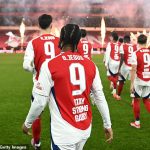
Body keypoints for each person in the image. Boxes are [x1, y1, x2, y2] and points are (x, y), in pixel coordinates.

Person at [22, 24, 113, 150]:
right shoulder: (91, 65)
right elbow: (99, 97)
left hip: (63, 133)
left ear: (60, 40)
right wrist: (107, 124)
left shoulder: (50, 65)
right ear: (78, 41)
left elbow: (39, 102)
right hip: (85, 129)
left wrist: (27, 123)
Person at [23, 14, 61, 149]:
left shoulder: (33, 42)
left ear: (39, 26)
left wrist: (34, 70)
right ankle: (55, 144)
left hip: (40, 84)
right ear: (52, 25)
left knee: (37, 113)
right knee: (57, 116)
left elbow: (26, 66)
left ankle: (37, 142)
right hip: (58, 85)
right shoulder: (60, 41)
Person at [130, 34, 150, 129]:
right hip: (148, 79)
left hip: (139, 79)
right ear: (146, 42)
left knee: (136, 99)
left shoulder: (136, 53)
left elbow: (133, 69)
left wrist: (131, 84)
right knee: (146, 100)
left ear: (137, 42)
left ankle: (137, 123)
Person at [114, 35, 137, 100]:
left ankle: (118, 96)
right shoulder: (134, 46)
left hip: (125, 67)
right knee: (133, 82)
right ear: (129, 40)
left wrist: (119, 68)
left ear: (124, 40)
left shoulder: (122, 46)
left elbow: (122, 58)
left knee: (121, 81)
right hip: (133, 66)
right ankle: (133, 100)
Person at [104, 31, 120, 96]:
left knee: (109, 76)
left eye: (111, 36)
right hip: (118, 61)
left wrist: (106, 63)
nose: (110, 37)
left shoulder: (110, 44)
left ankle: (117, 82)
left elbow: (107, 54)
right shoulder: (119, 44)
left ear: (113, 38)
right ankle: (114, 90)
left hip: (112, 62)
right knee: (115, 76)